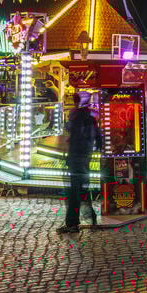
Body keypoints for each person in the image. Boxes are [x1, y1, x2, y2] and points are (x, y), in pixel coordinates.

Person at [58, 93, 102, 233]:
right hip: (85, 156)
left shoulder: (76, 117)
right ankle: (90, 218)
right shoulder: (91, 118)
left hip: (76, 157)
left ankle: (72, 223)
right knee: (82, 189)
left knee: (74, 191)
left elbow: (73, 133)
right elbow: (99, 138)